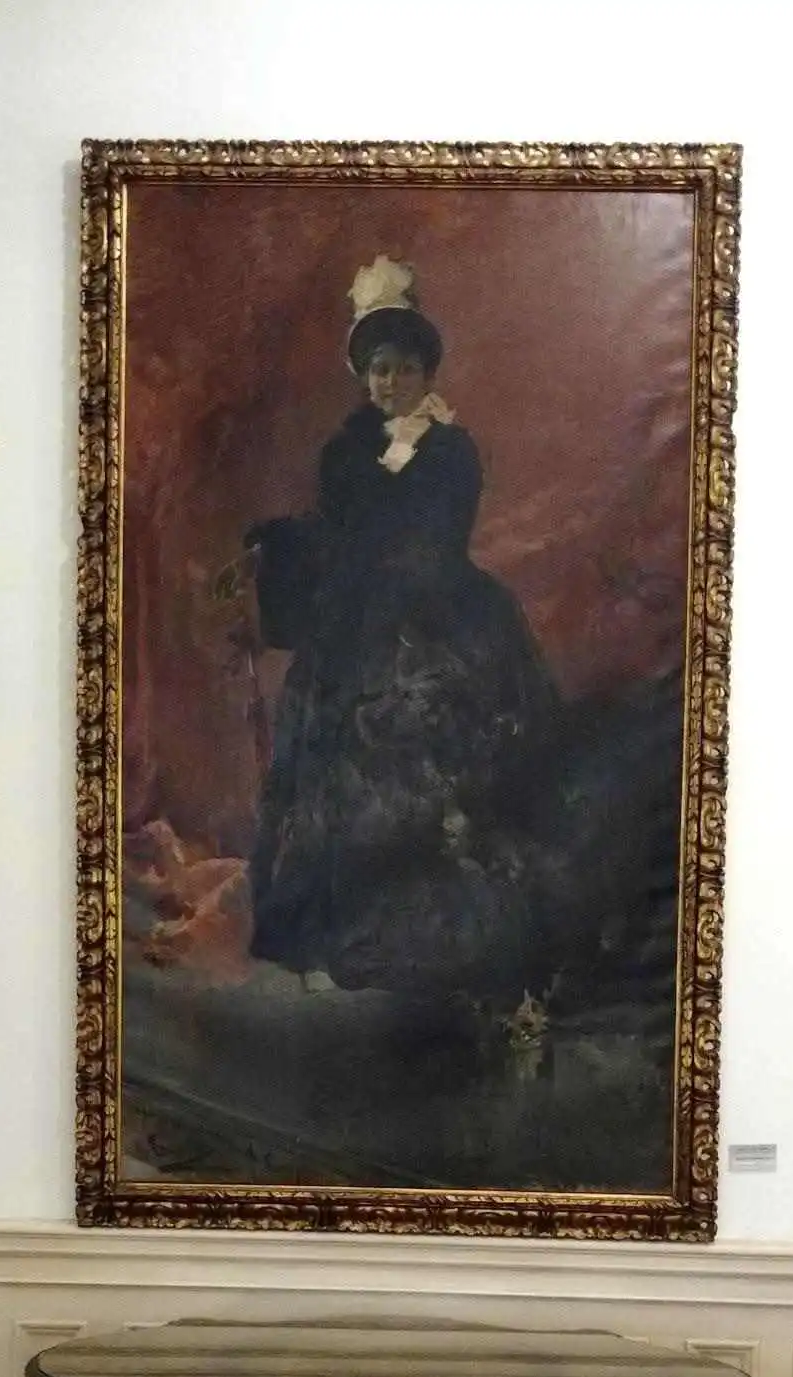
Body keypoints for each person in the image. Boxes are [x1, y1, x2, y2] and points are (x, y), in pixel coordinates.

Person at [234, 256, 570, 1008]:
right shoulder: (346, 450)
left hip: (433, 611)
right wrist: (275, 543)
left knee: (432, 746)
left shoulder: (451, 450)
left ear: (426, 372)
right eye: (379, 369)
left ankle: (446, 943)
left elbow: (436, 537)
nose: (391, 383)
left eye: (405, 368)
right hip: (355, 621)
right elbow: (331, 527)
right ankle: (329, 933)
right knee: (331, 760)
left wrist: (381, 565)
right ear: (364, 376)